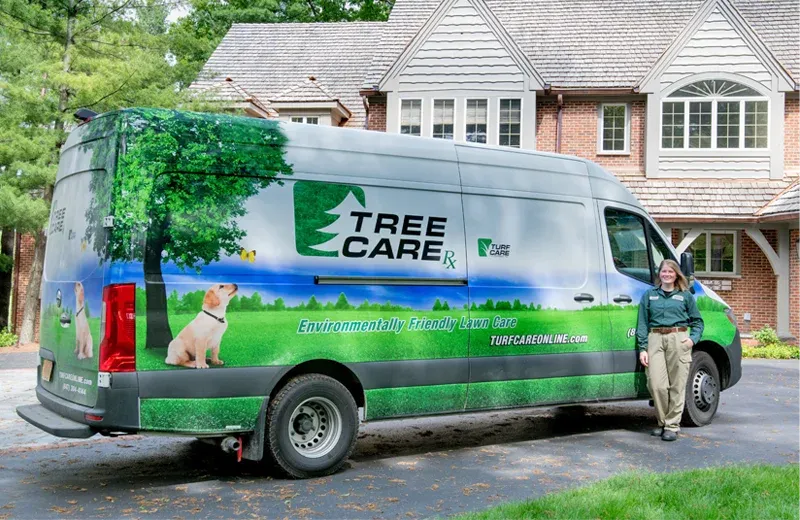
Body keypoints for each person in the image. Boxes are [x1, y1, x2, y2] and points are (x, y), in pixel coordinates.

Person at [636, 259, 704, 441]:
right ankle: (662, 421)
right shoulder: (649, 295)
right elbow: (642, 323)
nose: (666, 274)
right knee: (656, 385)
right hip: (655, 339)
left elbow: (698, 322)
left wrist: (691, 340)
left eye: (670, 272)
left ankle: (672, 425)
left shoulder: (685, 296)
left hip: (678, 339)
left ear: (676, 275)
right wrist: (643, 348)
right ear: (659, 274)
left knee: (677, 385)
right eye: (664, 271)